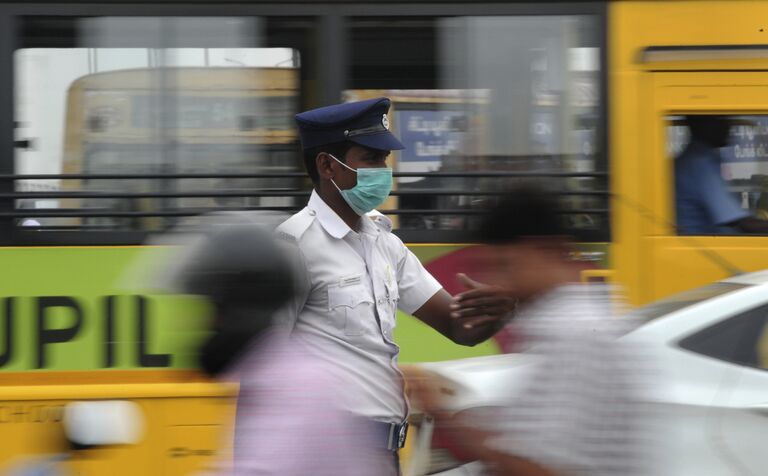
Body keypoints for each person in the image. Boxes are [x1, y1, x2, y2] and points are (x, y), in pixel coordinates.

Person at [275, 97, 514, 473]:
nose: (382, 171)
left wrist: (497, 311)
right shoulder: (294, 246)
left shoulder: (385, 242)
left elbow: (458, 327)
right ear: (327, 166)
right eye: (370, 159)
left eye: (384, 161)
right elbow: (263, 366)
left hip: (384, 454)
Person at [408, 186, 651, 476]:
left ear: (544, 250)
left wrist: (441, 414)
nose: (496, 281)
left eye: (504, 265)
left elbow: (535, 467)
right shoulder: (570, 322)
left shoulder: (571, 334)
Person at [177, 224, 379, 476]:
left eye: (212, 310)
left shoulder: (299, 386)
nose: (205, 326)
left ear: (238, 307)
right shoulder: (264, 378)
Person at [675, 115, 768, 234]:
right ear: (706, 126)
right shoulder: (701, 163)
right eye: (722, 120)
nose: (729, 127)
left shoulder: (691, 158)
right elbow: (742, 223)